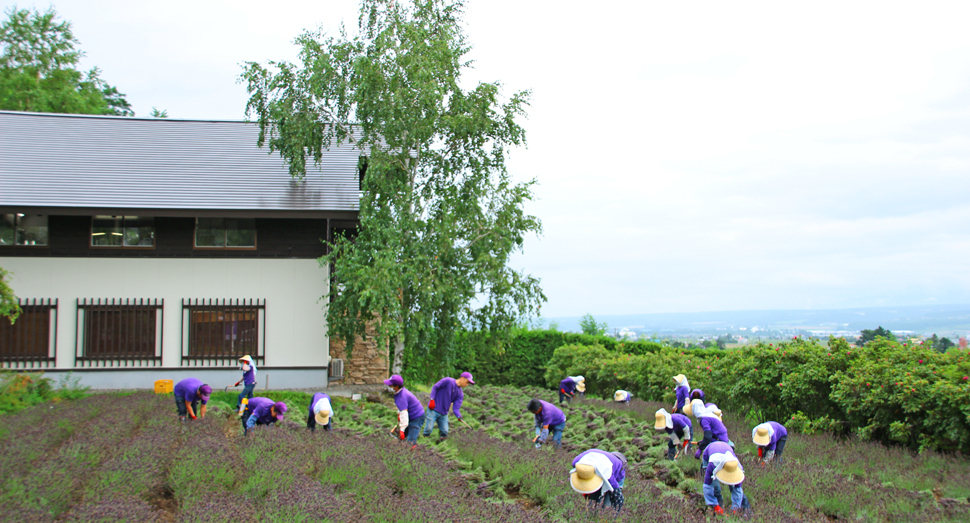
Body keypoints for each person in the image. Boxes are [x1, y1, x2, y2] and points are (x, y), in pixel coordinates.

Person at [569, 448, 627, 513]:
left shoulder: (608, 474)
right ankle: (591, 516)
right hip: (601, 460)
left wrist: (615, 511)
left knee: (608, 504)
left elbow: (617, 494)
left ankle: (605, 517)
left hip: (618, 469)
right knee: (593, 499)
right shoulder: (577, 463)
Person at [701, 441, 749, 514]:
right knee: (715, 487)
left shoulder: (737, 467)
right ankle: (717, 507)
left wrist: (735, 508)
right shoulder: (712, 464)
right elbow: (707, 485)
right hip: (709, 451)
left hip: (727, 449)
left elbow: (737, 489)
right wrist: (714, 504)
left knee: (733, 485)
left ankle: (742, 509)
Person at [423, 372, 474, 441]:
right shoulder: (448, 381)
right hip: (433, 409)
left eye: (468, 383)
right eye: (467, 382)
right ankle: (424, 441)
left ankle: (440, 445)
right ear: (462, 378)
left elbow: (456, 407)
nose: (467, 385)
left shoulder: (460, 394)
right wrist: (432, 399)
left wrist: (458, 416)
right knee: (428, 429)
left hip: (444, 413)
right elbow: (435, 387)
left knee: (445, 431)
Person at [691, 399, 732, 472]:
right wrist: (703, 441)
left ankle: (706, 475)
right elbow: (711, 433)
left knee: (706, 458)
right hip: (720, 438)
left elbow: (708, 436)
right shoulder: (709, 416)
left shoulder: (704, 419)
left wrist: (700, 449)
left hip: (720, 440)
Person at [385, 374, 425, 447]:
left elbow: (404, 413)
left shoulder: (402, 396)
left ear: (396, 386)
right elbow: (401, 408)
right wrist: (398, 415)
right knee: (401, 439)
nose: (389, 387)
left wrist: (402, 429)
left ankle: (414, 454)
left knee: (410, 441)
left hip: (417, 417)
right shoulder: (398, 393)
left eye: (390, 385)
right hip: (410, 416)